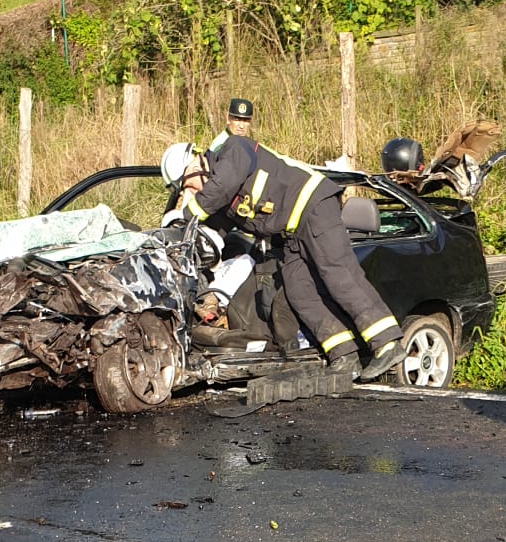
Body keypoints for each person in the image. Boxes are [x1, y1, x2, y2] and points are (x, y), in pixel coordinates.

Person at [160, 137, 408, 379]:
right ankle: (344, 354)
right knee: (299, 290)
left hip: (314, 207)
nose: (191, 192)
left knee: (339, 276)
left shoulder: (233, 150)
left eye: (187, 185)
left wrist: (188, 214)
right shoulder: (221, 199)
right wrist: (181, 239)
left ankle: (387, 343)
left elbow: (222, 186)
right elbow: (215, 227)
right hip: (290, 233)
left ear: (193, 166)